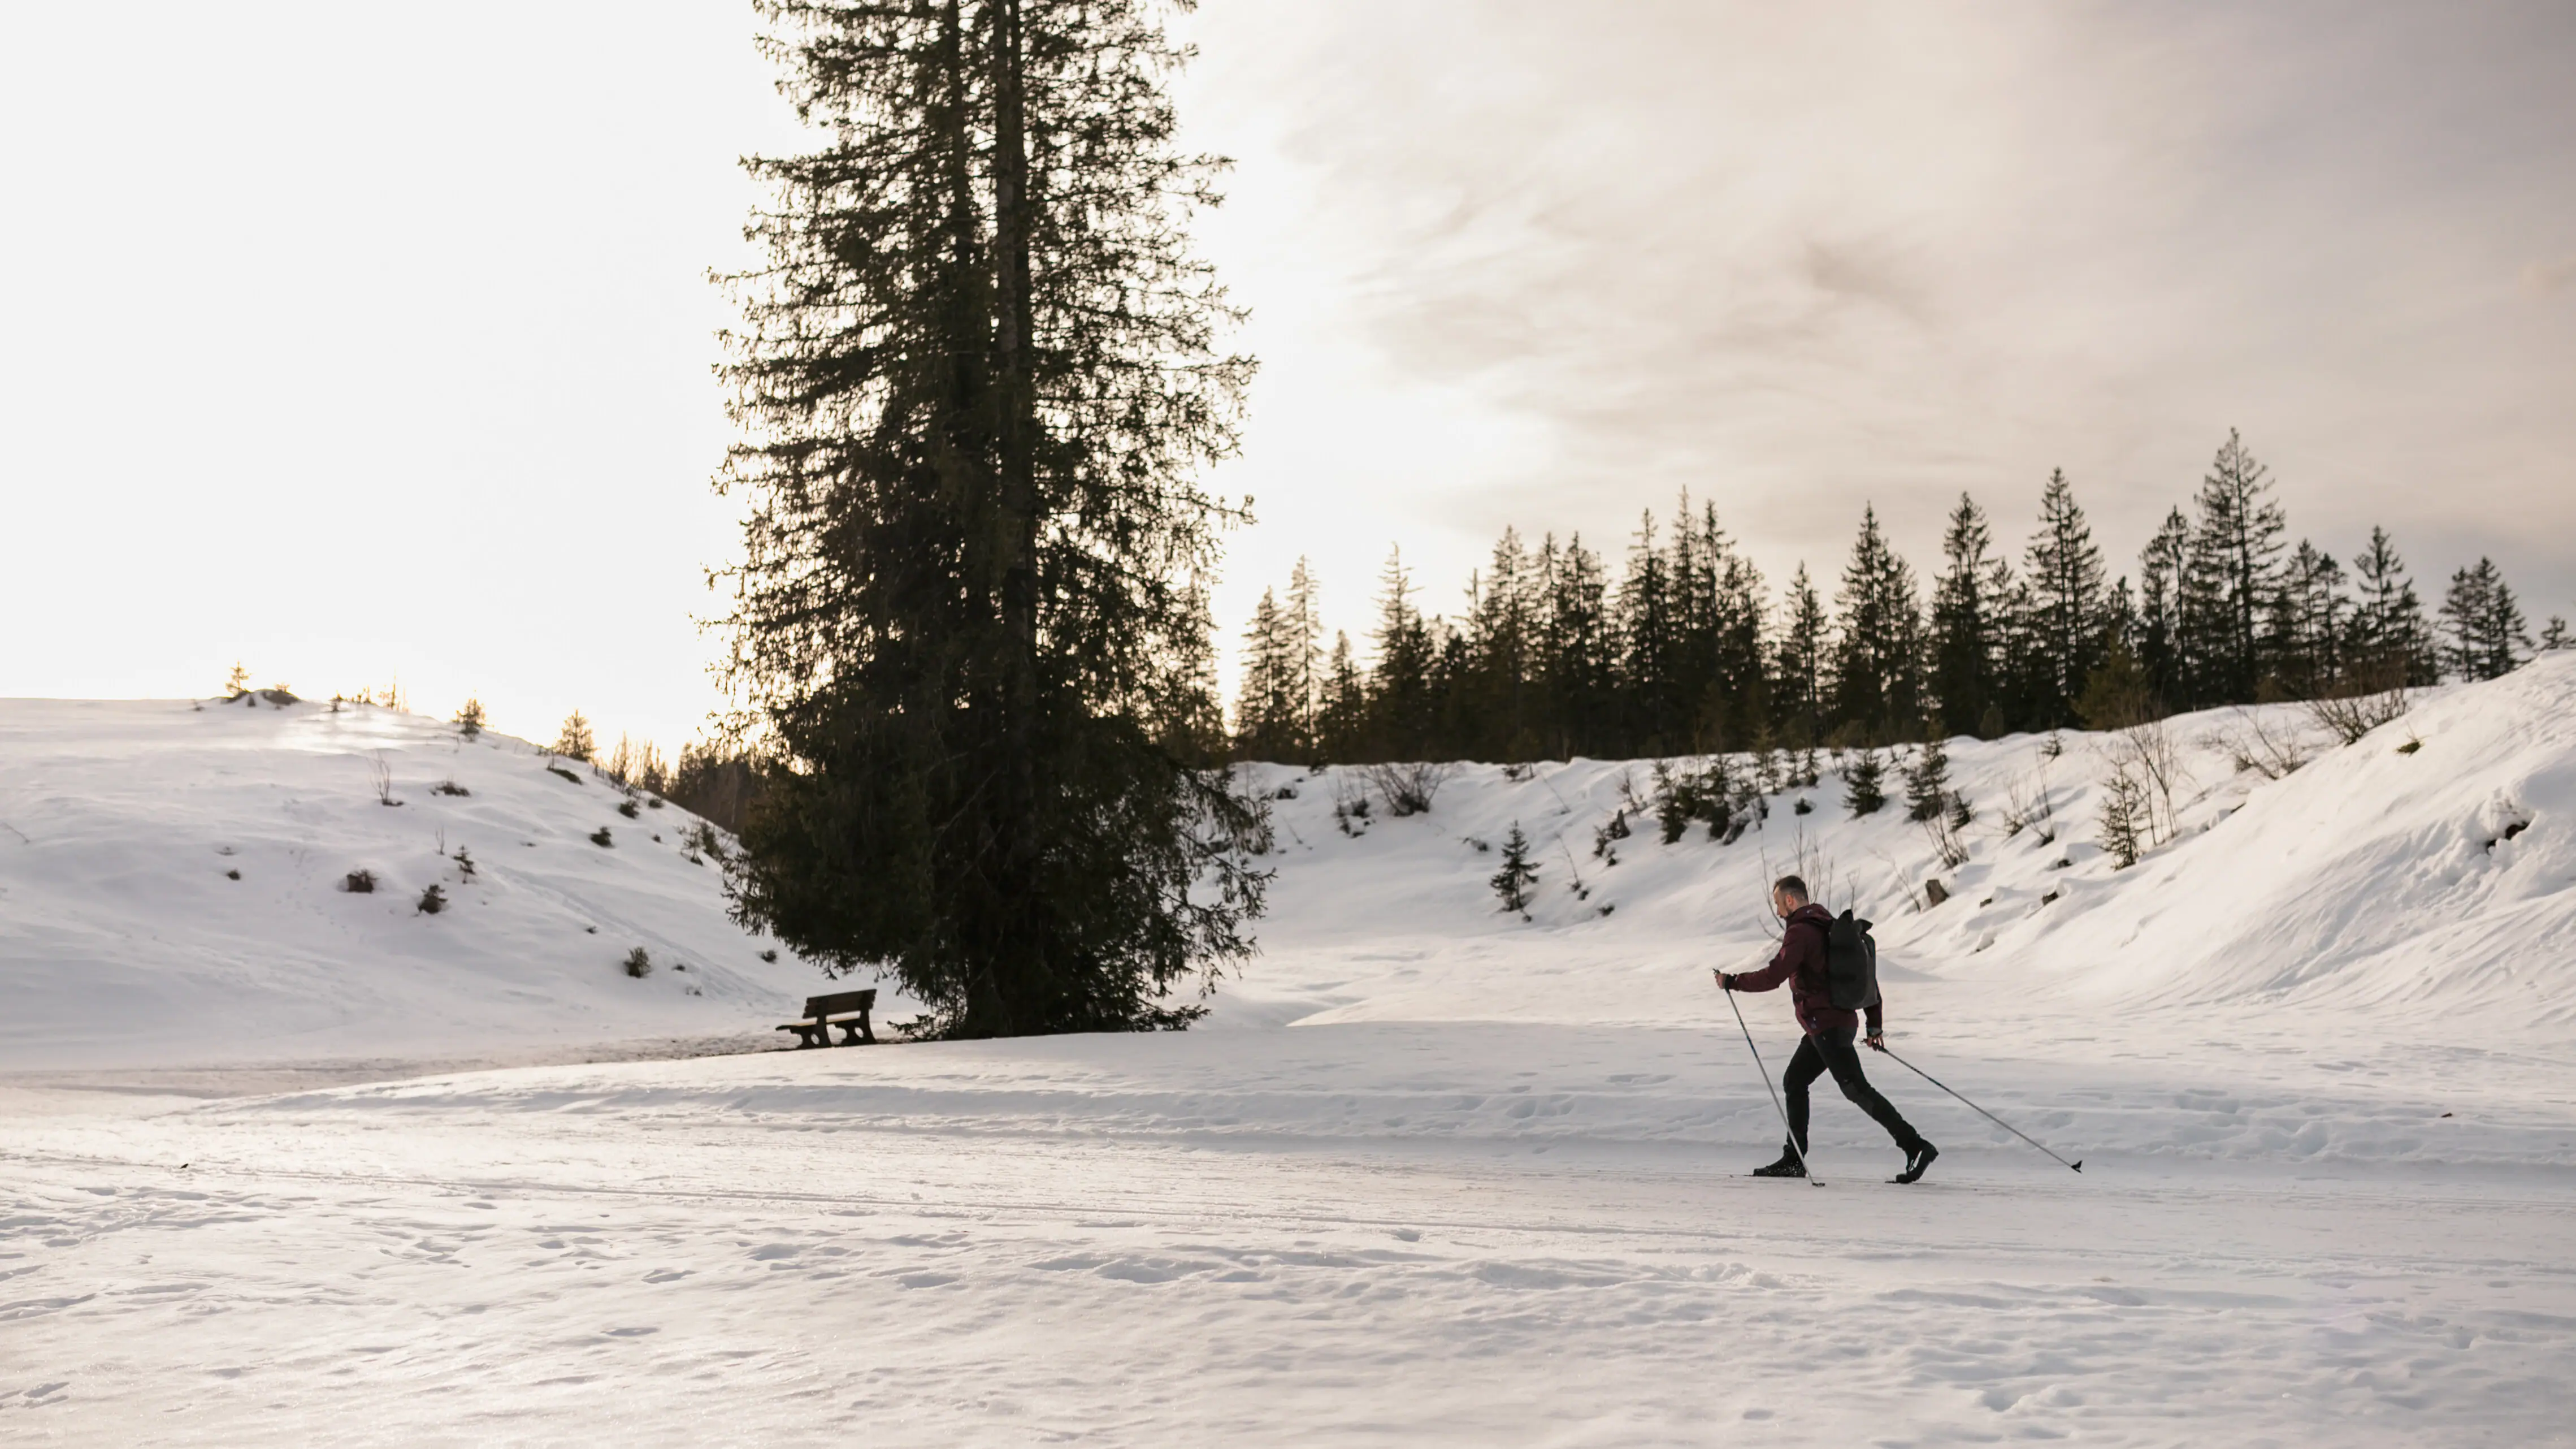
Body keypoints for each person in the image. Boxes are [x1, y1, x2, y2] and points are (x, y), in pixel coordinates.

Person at [1717, 874, 1937, 1183]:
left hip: (1826, 1025)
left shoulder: (1801, 932)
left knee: (1857, 1089)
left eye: (1779, 904)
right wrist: (1874, 1025)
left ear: (1791, 900)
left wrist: (1732, 982)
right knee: (1795, 1080)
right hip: (1832, 1024)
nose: (1779, 911)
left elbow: (1775, 975)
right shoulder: (1832, 927)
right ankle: (1794, 1159)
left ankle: (1915, 1145)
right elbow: (1867, 980)